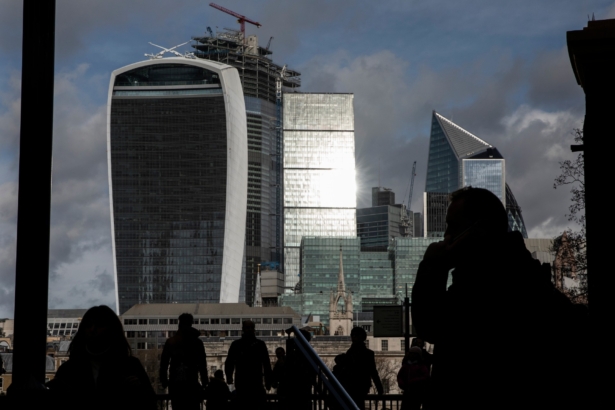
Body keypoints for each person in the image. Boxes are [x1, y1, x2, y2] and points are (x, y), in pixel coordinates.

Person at [411, 187, 588, 410]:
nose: (447, 236)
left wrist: (432, 266)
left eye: (454, 226)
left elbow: (430, 326)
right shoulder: (522, 274)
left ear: (479, 229)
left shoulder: (484, 286)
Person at [46, 305, 155, 410]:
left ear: (111, 330)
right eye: (88, 325)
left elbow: (150, 403)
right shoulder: (68, 370)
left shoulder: (131, 366)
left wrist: (138, 391)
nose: (93, 329)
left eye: (99, 325)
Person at [160, 313, 208, 410]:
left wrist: (164, 381)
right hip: (192, 384)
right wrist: (204, 383)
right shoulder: (197, 342)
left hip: (176, 385)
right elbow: (202, 364)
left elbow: (164, 364)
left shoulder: (171, 341)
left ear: (179, 323)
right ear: (191, 323)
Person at [224, 320, 272, 410]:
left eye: (251, 328)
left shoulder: (236, 344)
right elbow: (266, 364)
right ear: (243, 329)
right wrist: (268, 382)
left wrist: (229, 376)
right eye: (248, 327)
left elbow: (229, 362)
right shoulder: (260, 344)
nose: (249, 330)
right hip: (254, 381)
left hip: (243, 381)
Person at [341, 327, 383, 410]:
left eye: (356, 335)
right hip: (351, 385)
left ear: (362, 337)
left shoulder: (367, 353)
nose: (353, 337)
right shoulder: (349, 352)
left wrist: (379, 388)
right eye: (352, 335)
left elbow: (373, 372)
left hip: (360, 386)